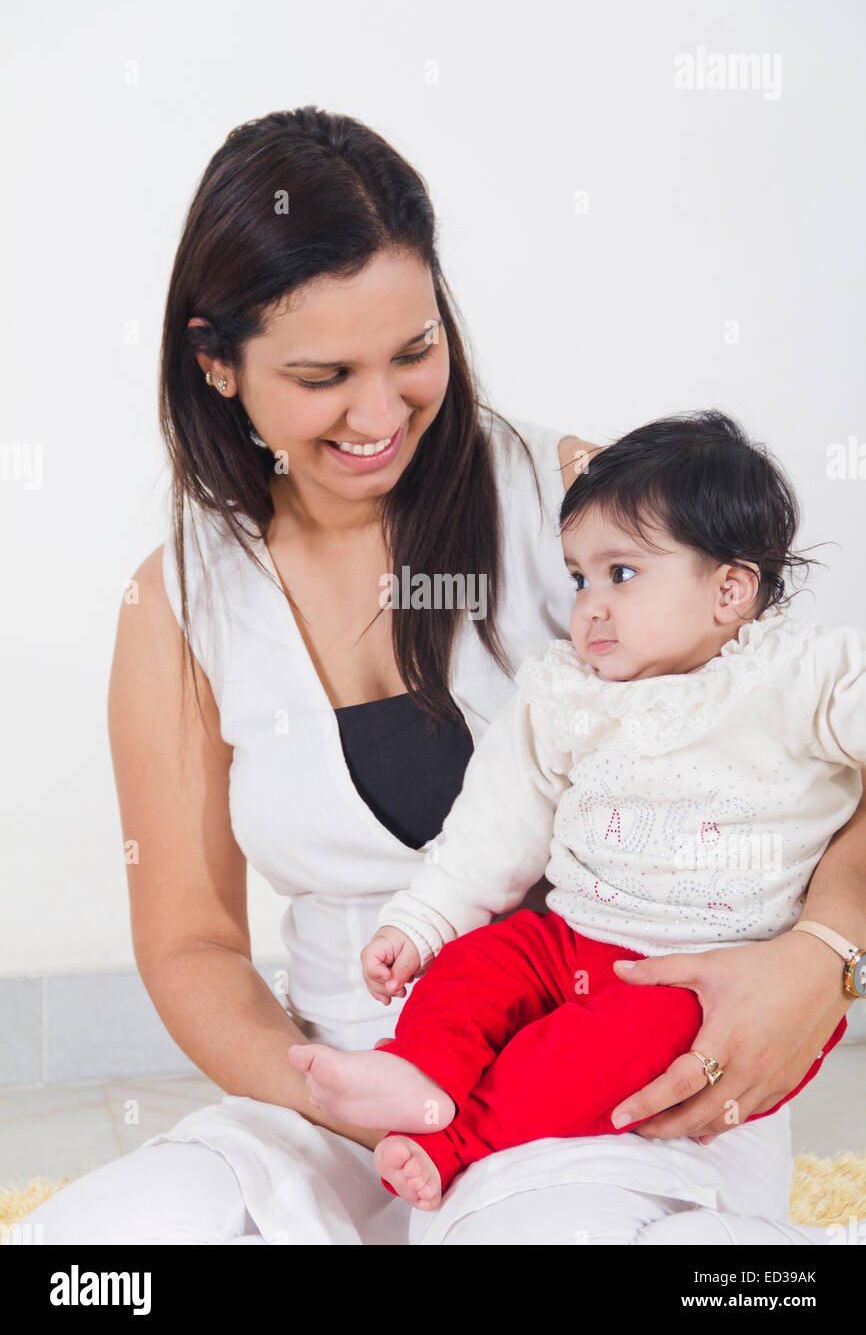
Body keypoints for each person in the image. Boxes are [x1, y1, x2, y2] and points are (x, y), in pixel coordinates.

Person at [28, 108, 866, 1246]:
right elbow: (191, 942)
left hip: (607, 1073)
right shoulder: (178, 598)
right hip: (347, 1093)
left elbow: (794, 728)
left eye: (413, 353)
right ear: (214, 363)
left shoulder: (573, 514)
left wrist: (821, 956)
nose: (381, 416)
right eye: (324, 375)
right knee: (114, 1242)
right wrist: (330, 1090)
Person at [289, 411, 864, 1211]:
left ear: (731, 589)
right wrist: (420, 924)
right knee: (472, 970)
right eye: (578, 578)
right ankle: (414, 1073)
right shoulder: (566, 691)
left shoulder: (801, 674)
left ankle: (455, 1135)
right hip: (565, 940)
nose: (590, 605)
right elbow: (496, 821)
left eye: (621, 574)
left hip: (702, 980)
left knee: (582, 1060)